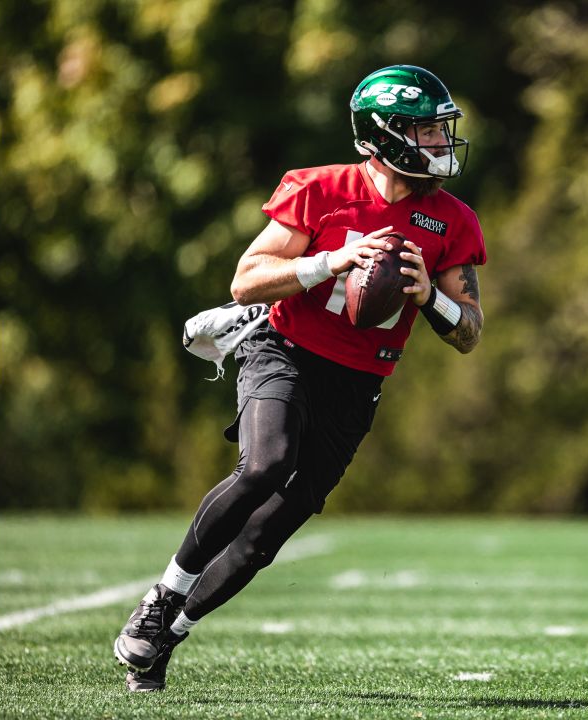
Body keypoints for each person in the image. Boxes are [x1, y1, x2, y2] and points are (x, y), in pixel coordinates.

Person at [111, 65, 487, 691]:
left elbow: (470, 332)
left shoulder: (451, 220)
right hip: (283, 348)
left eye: (440, 131)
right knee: (264, 463)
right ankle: (161, 596)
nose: (439, 145)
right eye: (425, 132)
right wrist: (330, 261)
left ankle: (168, 633)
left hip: (359, 381)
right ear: (384, 134)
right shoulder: (318, 189)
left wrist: (432, 300)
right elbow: (246, 279)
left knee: (271, 529)